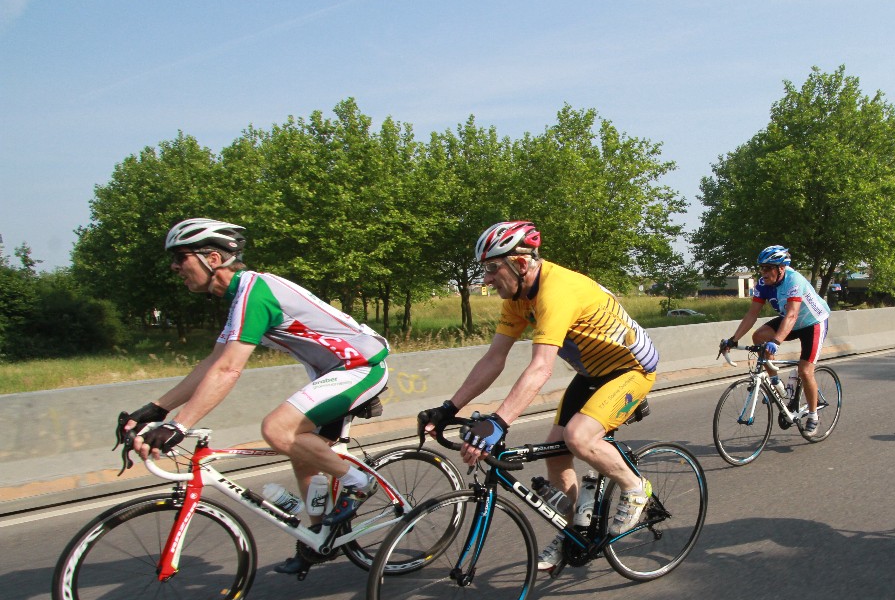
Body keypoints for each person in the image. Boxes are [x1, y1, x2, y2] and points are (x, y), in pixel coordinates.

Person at [119, 218, 391, 576]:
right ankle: (321, 537)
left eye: (180, 258)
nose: (174, 267)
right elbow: (213, 363)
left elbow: (228, 370)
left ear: (212, 259)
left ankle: (360, 482)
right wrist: (157, 408)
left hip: (361, 367)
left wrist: (179, 426)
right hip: (332, 374)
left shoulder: (255, 292)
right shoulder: (242, 296)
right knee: (302, 453)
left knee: (278, 430)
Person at [417, 221, 658, 572]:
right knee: (556, 456)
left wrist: (499, 422)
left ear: (520, 263)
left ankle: (635, 488)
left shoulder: (557, 291)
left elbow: (541, 367)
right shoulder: (518, 298)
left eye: (492, 268)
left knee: (578, 438)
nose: (486, 279)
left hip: (630, 370)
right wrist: (449, 407)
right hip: (591, 374)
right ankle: (575, 530)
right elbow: (494, 359)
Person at [721, 245, 831, 432]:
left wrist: (776, 341)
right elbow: (752, 314)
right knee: (759, 336)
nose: (763, 273)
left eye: (768, 268)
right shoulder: (763, 284)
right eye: (761, 268)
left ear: (781, 268)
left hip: (813, 323)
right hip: (791, 321)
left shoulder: (793, 280)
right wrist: (733, 339)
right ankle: (775, 383)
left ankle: (813, 415)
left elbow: (792, 315)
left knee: (805, 371)